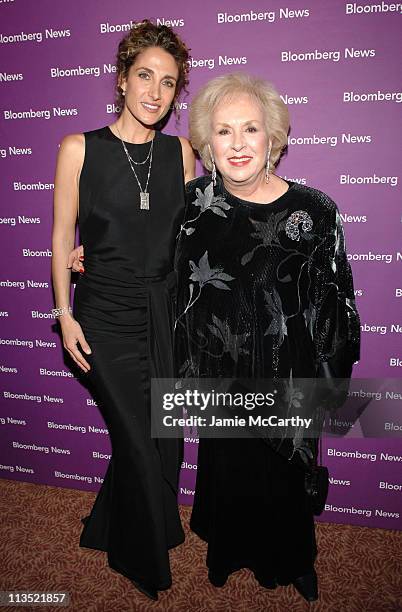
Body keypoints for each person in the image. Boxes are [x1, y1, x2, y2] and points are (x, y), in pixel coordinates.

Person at [173, 73, 360, 601]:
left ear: (272, 139)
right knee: (228, 470)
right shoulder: (192, 206)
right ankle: (227, 553)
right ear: (207, 144)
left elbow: (335, 298)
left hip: (288, 370)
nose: (237, 144)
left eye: (250, 129)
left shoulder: (315, 210)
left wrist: (333, 380)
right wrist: (91, 257)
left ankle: (294, 559)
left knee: (283, 478)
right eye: (224, 131)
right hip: (219, 371)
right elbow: (153, 268)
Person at [51, 20, 195, 601]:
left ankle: (107, 524)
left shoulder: (182, 153)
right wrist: (64, 313)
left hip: (163, 312)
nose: (155, 93)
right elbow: (63, 237)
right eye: (144, 77)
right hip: (103, 314)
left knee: (162, 437)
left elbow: (196, 238)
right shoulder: (78, 148)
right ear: (121, 79)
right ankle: (142, 560)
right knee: (135, 437)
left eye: (167, 83)